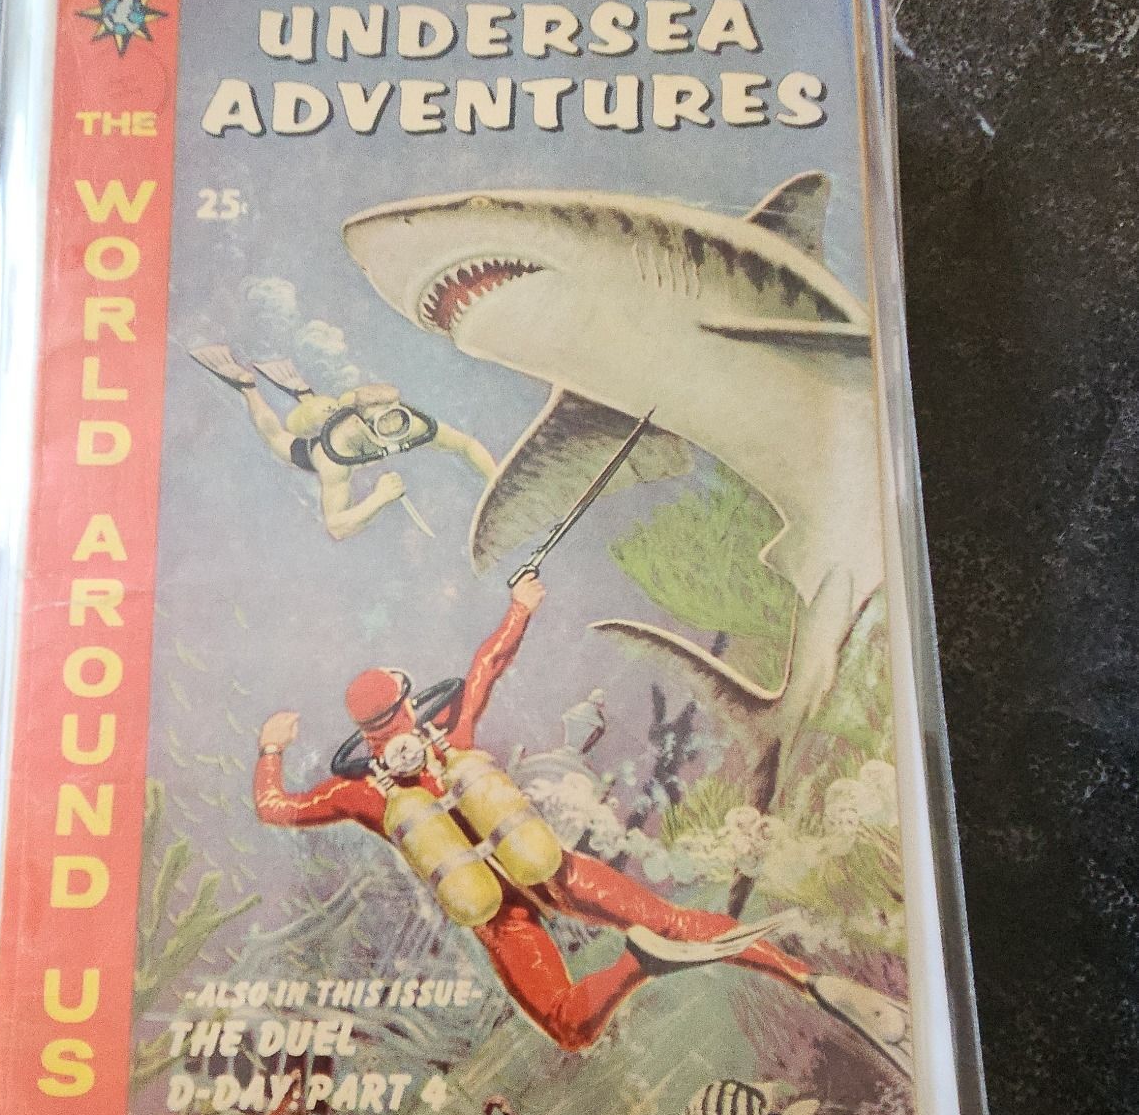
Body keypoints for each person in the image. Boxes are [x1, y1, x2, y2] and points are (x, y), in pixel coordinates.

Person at [253, 577, 904, 1058]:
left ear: (363, 731)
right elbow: (487, 664)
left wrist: (271, 750)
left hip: (498, 916)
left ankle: (635, 966)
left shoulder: (362, 794)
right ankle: (809, 980)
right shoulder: (453, 732)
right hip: (554, 870)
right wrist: (520, 606)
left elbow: (277, 808)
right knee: (675, 920)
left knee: (569, 1025)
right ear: (405, 699)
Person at [192, 344, 495, 540]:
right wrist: (379, 498)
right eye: (383, 423)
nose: (394, 429)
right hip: (316, 447)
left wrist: (495, 481)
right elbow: (336, 526)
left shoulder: (412, 425)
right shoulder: (335, 455)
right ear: (362, 423)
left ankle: (305, 395)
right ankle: (247, 386)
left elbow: (466, 445)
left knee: (326, 410)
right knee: (277, 438)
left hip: (344, 418)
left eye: (397, 418)